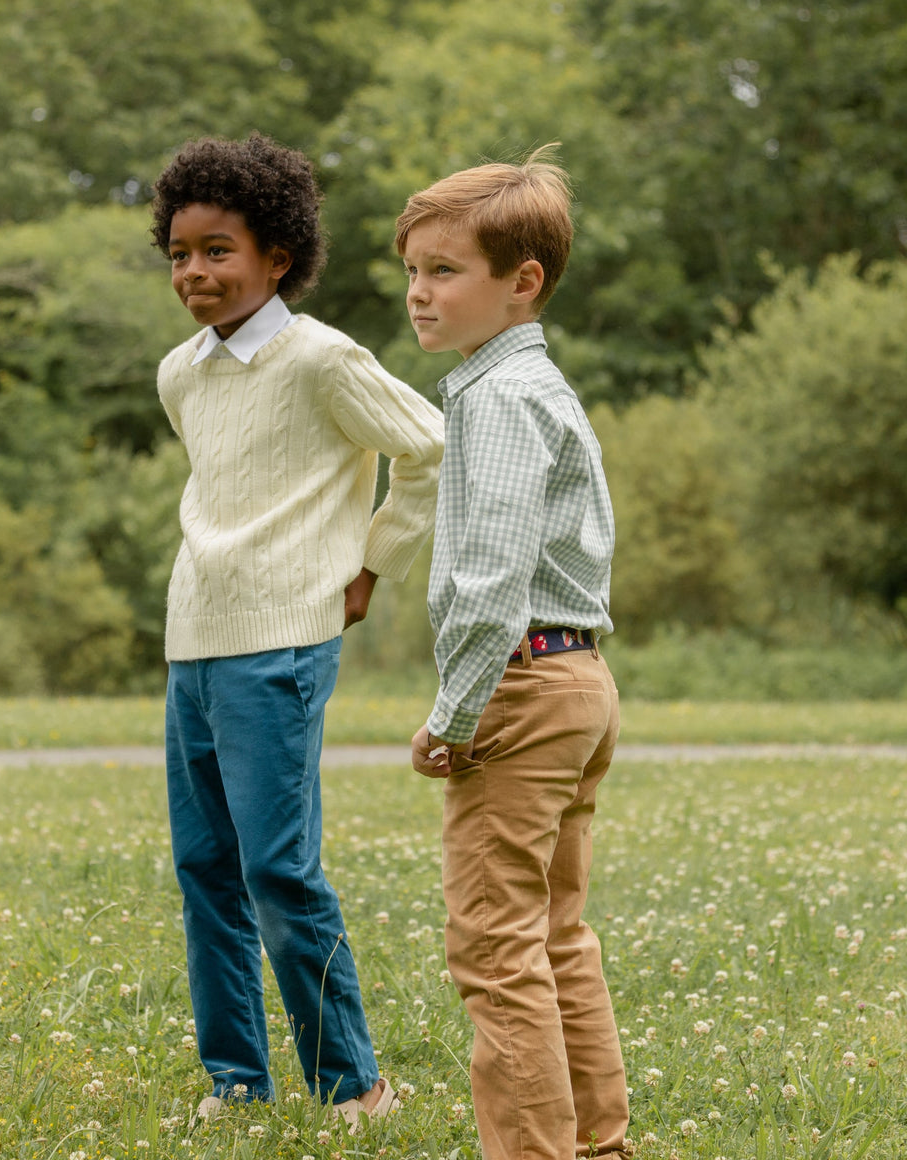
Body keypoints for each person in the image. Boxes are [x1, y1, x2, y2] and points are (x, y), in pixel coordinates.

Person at [150, 132, 445, 1128]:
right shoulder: (179, 376)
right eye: (181, 252)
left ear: (277, 254)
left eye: (219, 250)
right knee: (205, 869)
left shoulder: (322, 358)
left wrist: (372, 564)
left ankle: (354, 1085)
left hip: (282, 642)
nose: (197, 270)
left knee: (279, 866)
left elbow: (428, 447)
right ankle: (236, 1085)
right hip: (193, 637)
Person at [397, 147, 631, 1160]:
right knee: (555, 938)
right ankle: (601, 1143)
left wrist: (452, 713)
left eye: (445, 271)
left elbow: (490, 580)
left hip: (522, 687)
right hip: (578, 679)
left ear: (521, 281)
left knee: (497, 952)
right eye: (411, 270)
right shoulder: (539, 387)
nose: (419, 293)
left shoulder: (494, 400)